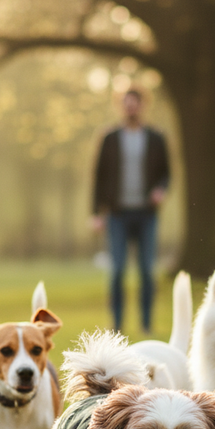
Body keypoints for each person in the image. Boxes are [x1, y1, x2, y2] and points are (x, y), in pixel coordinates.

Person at [91, 88, 170, 334]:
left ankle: (146, 324)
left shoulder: (156, 138)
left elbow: (166, 173)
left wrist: (160, 189)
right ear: (121, 106)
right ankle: (116, 325)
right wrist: (96, 213)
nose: (131, 108)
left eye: (135, 103)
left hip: (146, 214)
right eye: (127, 104)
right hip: (117, 214)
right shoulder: (110, 138)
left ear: (142, 105)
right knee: (117, 271)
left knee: (147, 270)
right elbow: (99, 176)